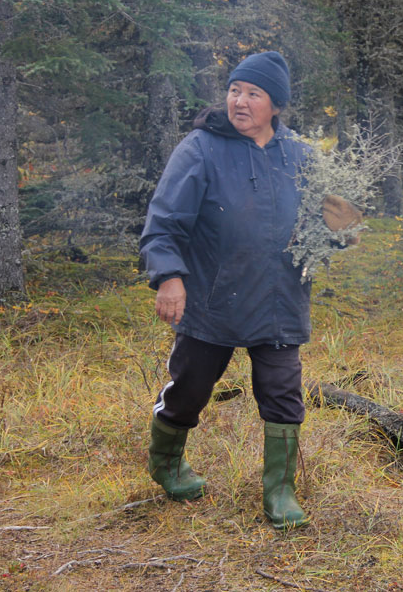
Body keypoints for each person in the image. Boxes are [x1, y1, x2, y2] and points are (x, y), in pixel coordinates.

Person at [139, 51, 360, 530]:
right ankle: (167, 463)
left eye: (253, 94)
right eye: (235, 90)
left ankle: (279, 491)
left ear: (275, 105)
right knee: (190, 388)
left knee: (283, 393)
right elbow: (163, 223)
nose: (239, 101)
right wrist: (169, 277)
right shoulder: (201, 148)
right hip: (212, 299)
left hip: (280, 300)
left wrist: (343, 229)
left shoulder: (301, 155)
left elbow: (331, 232)